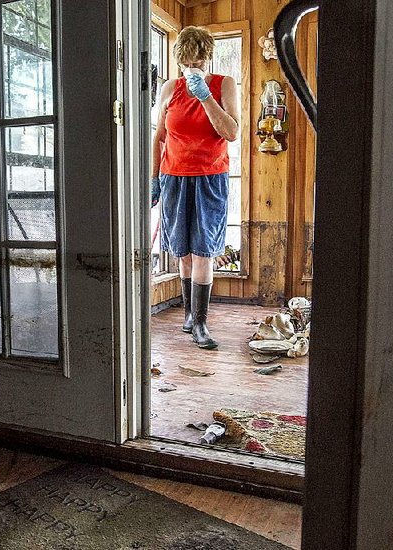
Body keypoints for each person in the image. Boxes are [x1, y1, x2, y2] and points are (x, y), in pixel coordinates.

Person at [151, 26, 239, 350]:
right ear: (179, 60)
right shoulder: (168, 89)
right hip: (173, 177)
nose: (194, 64)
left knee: (204, 251)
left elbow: (231, 132)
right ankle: (188, 314)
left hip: (211, 177)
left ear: (207, 56)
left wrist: (205, 98)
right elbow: (159, 137)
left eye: (199, 58)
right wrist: (153, 178)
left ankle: (201, 323)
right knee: (183, 252)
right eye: (188, 59)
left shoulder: (223, 85)